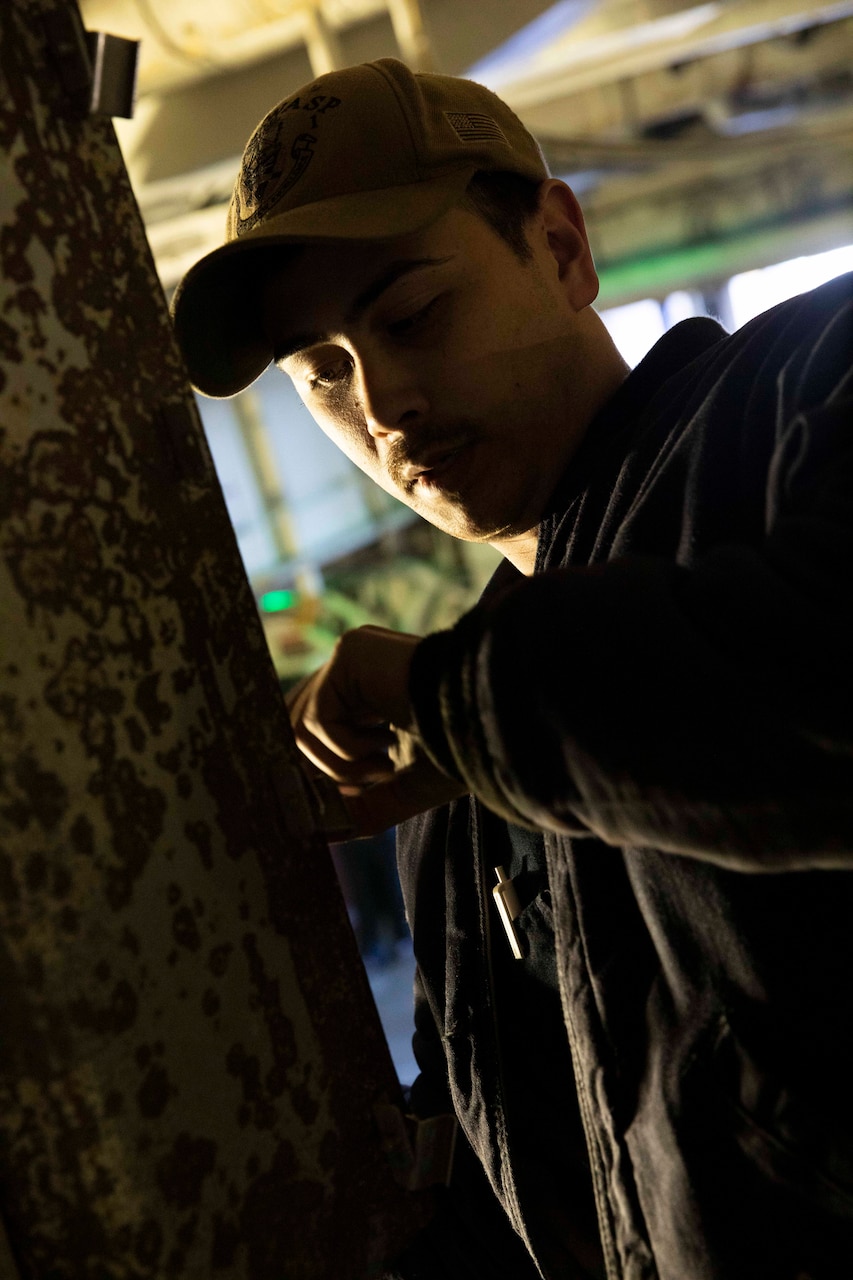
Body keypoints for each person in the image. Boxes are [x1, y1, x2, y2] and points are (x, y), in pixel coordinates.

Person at [172, 57, 853, 1280]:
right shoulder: (447, 808)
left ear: (558, 244)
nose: (379, 404)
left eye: (410, 315)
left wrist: (449, 701)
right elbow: (509, 1185)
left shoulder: (807, 391)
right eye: (318, 370)